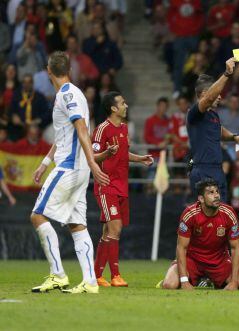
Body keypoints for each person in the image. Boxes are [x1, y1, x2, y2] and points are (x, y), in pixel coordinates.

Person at [29, 51, 109, 294]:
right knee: (77, 224)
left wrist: (92, 162)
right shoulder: (74, 94)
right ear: (70, 71)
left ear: (48, 71)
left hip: (69, 167)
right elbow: (67, 133)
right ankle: (90, 281)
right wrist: (45, 162)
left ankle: (58, 274)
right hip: (77, 167)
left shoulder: (67, 95)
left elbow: (82, 128)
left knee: (37, 215)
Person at [91, 91, 154, 287]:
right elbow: (93, 157)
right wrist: (106, 153)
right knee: (115, 229)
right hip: (106, 186)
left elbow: (123, 154)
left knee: (107, 232)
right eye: (123, 103)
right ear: (113, 108)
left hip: (121, 187)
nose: (126, 105)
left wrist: (140, 159)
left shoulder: (124, 128)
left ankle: (96, 275)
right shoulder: (102, 129)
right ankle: (115, 275)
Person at [158, 178, 239, 290]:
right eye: (211, 193)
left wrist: (234, 282)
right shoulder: (190, 214)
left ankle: (210, 281)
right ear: (201, 198)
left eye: (217, 191)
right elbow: (181, 248)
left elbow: (236, 247)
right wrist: (183, 281)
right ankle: (172, 280)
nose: (216, 195)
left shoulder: (229, 213)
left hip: (219, 261)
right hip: (192, 260)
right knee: (169, 285)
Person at [186, 58, 239, 202]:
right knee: (206, 217)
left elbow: (218, 130)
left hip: (217, 169)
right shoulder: (194, 113)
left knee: (221, 216)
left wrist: (234, 137)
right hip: (203, 169)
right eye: (217, 93)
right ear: (203, 94)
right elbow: (208, 99)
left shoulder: (213, 114)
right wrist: (227, 74)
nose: (220, 96)